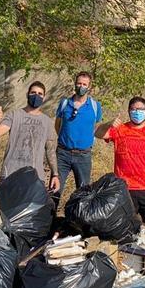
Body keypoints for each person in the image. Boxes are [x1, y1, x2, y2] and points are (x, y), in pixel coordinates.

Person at [95, 97, 145, 233]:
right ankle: (131, 253)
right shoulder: (119, 129)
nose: (137, 112)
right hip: (126, 187)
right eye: (134, 109)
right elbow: (98, 134)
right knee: (128, 226)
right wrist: (109, 124)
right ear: (129, 111)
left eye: (140, 109)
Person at [0, 81, 60, 191]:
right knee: (5, 208)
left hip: (35, 178)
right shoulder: (15, 115)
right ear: (27, 94)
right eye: (33, 92)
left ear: (44, 97)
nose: (36, 96)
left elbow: (50, 151)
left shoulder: (47, 122)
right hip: (10, 174)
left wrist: (55, 175)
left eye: (40, 94)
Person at [52, 71, 102, 206]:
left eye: (84, 84)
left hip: (83, 155)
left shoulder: (95, 106)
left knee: (83, 192)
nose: (81, 86)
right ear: (75, 84)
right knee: (55, 189)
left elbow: (96, 127)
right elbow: (58, 125)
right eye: (79, 83)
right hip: (62, 154)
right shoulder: (64, 103)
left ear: (89, 87)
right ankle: (49, 222)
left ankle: (79, 224)